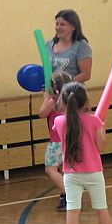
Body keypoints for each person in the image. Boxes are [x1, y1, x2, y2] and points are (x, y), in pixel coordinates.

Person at [53, 82, 112, 224]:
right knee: (101, 209)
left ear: (64, 101)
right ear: (85, 101)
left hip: (71, 174)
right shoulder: (94, 121)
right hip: (94, 172)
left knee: (72, 211)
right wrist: (101, 130)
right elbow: (100, 147)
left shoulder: (58, 122)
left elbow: (65, 137)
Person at [38, 71, 73, 212]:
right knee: (65, 170)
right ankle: (68, 195)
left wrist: (46, 98)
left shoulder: (54, 101)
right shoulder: (72, 99)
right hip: (71, 139)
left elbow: (42, 113)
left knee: (50, 169)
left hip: (57, 142)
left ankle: (68, 195)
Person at [46, 9, 92, 83]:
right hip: (51, 90)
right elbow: (46, 70)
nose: (58, 27)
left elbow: (86, 75)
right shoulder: (48, 44)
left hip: (72, 89)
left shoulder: (81, 46)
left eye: (62, 24)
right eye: (57, 24)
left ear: (73, 27)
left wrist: (64, 83)